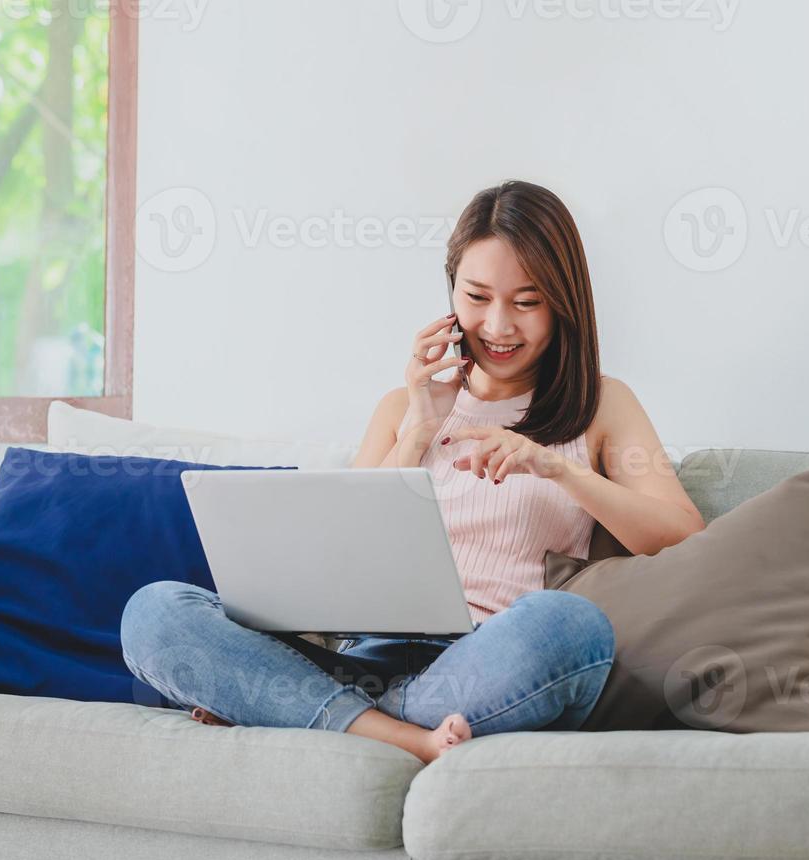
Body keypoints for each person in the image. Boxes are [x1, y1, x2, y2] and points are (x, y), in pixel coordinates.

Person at [119, 180, 706, 764]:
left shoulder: (601, 404)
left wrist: (554, 467)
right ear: (451, 290)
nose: (499, 326)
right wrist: (418, 432)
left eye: (526, 302)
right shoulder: (401, 408)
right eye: (477, 297)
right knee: (154, 611)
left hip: (478, 668)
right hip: (358, 658)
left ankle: (311, 715)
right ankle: (402, 736)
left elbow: (684, 537)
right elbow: (330, 561)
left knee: (571, 627)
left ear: (563, 301)